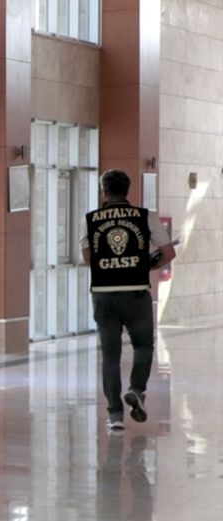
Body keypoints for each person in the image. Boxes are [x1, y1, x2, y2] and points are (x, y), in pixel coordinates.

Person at [83, 169, 175, 432]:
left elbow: (88, 258)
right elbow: (168, 252)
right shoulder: (145, 216)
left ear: (104, 191)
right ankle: (136, 389)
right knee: (143, 346)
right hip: (136, 293)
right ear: (128, 190)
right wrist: (149, 265)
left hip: (104, 295)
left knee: (110, 357)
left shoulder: (91, 219)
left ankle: (115, 415)